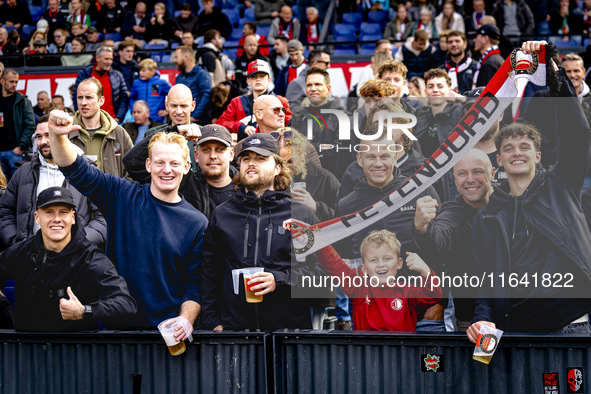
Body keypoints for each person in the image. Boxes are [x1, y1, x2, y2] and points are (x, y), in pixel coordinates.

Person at [467, 41, 591, 339]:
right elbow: (483, 280)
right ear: (498, 160)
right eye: (508, 148)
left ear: (538, 156)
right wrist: (482, 319)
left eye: (525, 146)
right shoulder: (487, 214)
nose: (516, 152)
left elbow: (577, 134)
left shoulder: (561, 185)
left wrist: (552, 66)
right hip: (513, 331)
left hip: (569, 323)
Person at [48, 109, 207, 335]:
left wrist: (185, 319)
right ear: (148, 165)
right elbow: (76, 170)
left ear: (186, 166)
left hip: (167, 333)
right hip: (117, 326)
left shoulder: (196, 222)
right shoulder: (120, 194)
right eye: (160, 162)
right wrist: (57, 136)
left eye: (174, 163)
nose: (167, 170)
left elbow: (194, 285)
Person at [200, 132, 323, 331]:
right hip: (236, 332)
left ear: (277, 168)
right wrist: (212, 320)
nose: (251, 163)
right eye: (246, 158)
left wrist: (279, 280)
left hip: (288, 333)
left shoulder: (301, 214)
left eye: (260, 158)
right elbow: (209, 272)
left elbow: (322, 275)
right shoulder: (222, 214)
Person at [0, 186, 137, 332]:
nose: (57, 219)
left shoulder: (90, 258)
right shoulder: (20, 252)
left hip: (75, 349)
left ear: (72, 217)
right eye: (49, 212)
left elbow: (126, 304)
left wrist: (84, 311)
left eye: (63, 212)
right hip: (26, 349)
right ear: (37, 217)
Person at [412, 149, 494, 332]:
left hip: (519, 316)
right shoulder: (453, 212)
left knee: (523, 361)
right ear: (454, 179)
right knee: (480, 361)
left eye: (478, 171)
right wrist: (422, 227)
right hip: (473, 322)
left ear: (493, 173)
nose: (470, 179)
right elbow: (437, 242)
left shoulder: (509, 204)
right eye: (462, 173)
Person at [0, 114, 107, 248]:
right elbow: (5, 211)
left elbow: (104, 217)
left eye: (48, 135)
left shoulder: (86, 172)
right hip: (30, 260)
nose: (43, 141)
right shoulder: (23, 172)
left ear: (63, 136)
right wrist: (16, 244)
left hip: (73, 260)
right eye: (39, 136)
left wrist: (77, 244)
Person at [313, 230, 442, 331]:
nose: (381, 264)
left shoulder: (408, 292)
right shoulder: (358, 290)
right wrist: (315, 238)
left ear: (399, 263)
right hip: (366, 359)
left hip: (402, 360)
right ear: (364, 269)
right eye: (374, 260)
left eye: (387, 258)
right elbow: (335, 265)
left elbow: (433, 296)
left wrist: (425, 271)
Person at [124, 123, 237, 219]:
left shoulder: (245, 188)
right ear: (196, 155)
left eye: (220, 150)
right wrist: (174, 130)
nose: (213, 156)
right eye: (206, 150)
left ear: (231, 154)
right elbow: (132, 163)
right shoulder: (183, 183)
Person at [414, 68, 466, 202]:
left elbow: (484, 104)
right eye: (430, 86)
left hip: (454, 180)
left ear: (450, 90)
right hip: (426, 181)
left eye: (440, 86)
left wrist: (462, 99)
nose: (435, 90)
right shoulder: (419, 114)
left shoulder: (461, 112)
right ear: (426, 92)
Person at [70, 78, 133, 178]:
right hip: (73, 194)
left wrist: (121, 193)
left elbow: (132, 171)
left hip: (112, 193)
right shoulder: (67, 132)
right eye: (80, 97)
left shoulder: (119, 133)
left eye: (89, 97)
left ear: (101, 101)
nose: (83, 103)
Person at [217, 60, 291, 139]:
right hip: (245, 147)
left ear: (269, 80)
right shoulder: (237, 102)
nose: (258, 79)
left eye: (262, 76)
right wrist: (242, 127)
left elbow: (290, 126)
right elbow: (220, 123)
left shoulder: (281, 101)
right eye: (254, 76)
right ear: (248, 81)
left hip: (275, 145)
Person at [289, 67, 345, 173]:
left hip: (333, 178)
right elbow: (291, 149)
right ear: (305, 90)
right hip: (301, 178)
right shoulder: (296, 119)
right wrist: (320, 147)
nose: (313, 88)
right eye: (309, 85)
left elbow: (340, 152)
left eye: (318, 84)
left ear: (328, 89)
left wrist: (307, 148)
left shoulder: (343, 117)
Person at [282, 127, 339, 221]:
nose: (285, 167)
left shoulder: (326, 179)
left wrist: (316, 207)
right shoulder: (269, 178)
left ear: (302, 153)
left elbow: (343, 217)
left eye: (290, 161)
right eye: (279, 162)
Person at [74, 46, 130, 123]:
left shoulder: (118, 75)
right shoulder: (84, 74)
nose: (109, 62)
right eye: (106, 59)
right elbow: (76, 96)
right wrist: (82, 117)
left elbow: (124, 98)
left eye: (111, 59)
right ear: (97, 58)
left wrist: (118, 117)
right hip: (89, 121)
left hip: (112, 120)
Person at [0, 69, 35, 180]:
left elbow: (30, 125)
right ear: (2, 81)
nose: (14, 85)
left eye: (16, 82)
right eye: (11, 81)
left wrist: (21, 146)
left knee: (18, 186)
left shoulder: (22, 101)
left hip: (15, 152)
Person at [174, 45, 212, 124]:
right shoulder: (180, 76)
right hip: (180, 120)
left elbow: (207, 95)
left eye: (176, 57)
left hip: (197, 122)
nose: (174, 60)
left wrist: (194, 116)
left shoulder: (202, 74)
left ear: (186, 57)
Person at [130, 58, 172, 124]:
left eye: (143, 71)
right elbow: (132, 98)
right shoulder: (136, 83)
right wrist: (133, 111)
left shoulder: (161, 83)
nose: (140, 73)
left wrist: (168, 111)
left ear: (152, 71)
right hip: (140, 121)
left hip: (157, 120)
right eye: (140, 70)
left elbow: (174, 95)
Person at [472, 24, 504, 88]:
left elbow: (486, 95)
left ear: (485, 39)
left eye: (476, 36)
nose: (474, 40)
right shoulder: (496, 59)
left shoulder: (489, 63)